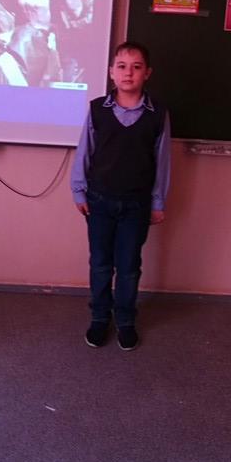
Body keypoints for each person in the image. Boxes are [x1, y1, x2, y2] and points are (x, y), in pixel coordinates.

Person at [70, 41, 171, 351]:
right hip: (99, 201)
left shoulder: (157, 114)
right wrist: (78, 190)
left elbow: (162, 161)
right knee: (101, 263)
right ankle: (100, 316)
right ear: (111, 72)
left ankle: (125, 319)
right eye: (122, 66)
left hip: (136, 205)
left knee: (128, 266)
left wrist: (157, 202)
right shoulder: (97, 110)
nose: (129, 73)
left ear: (147, 73)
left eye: (136, 67)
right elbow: (84, 151)